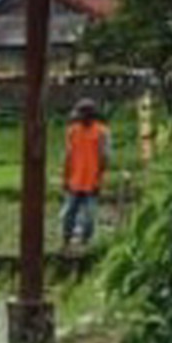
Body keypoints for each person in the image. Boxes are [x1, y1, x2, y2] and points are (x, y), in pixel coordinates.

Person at [61, 97, 111, 249]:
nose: (78, 118)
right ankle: (66, 240)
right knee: (68, 214)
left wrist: (99, 180)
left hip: (92, 181)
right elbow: (68, 156)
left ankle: (84, 242)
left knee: (89, 217)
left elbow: (104, 158)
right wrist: (65, 177)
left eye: (81, 115)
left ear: (89, 115)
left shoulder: (101, 132)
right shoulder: (72, 131)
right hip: (74, 180)